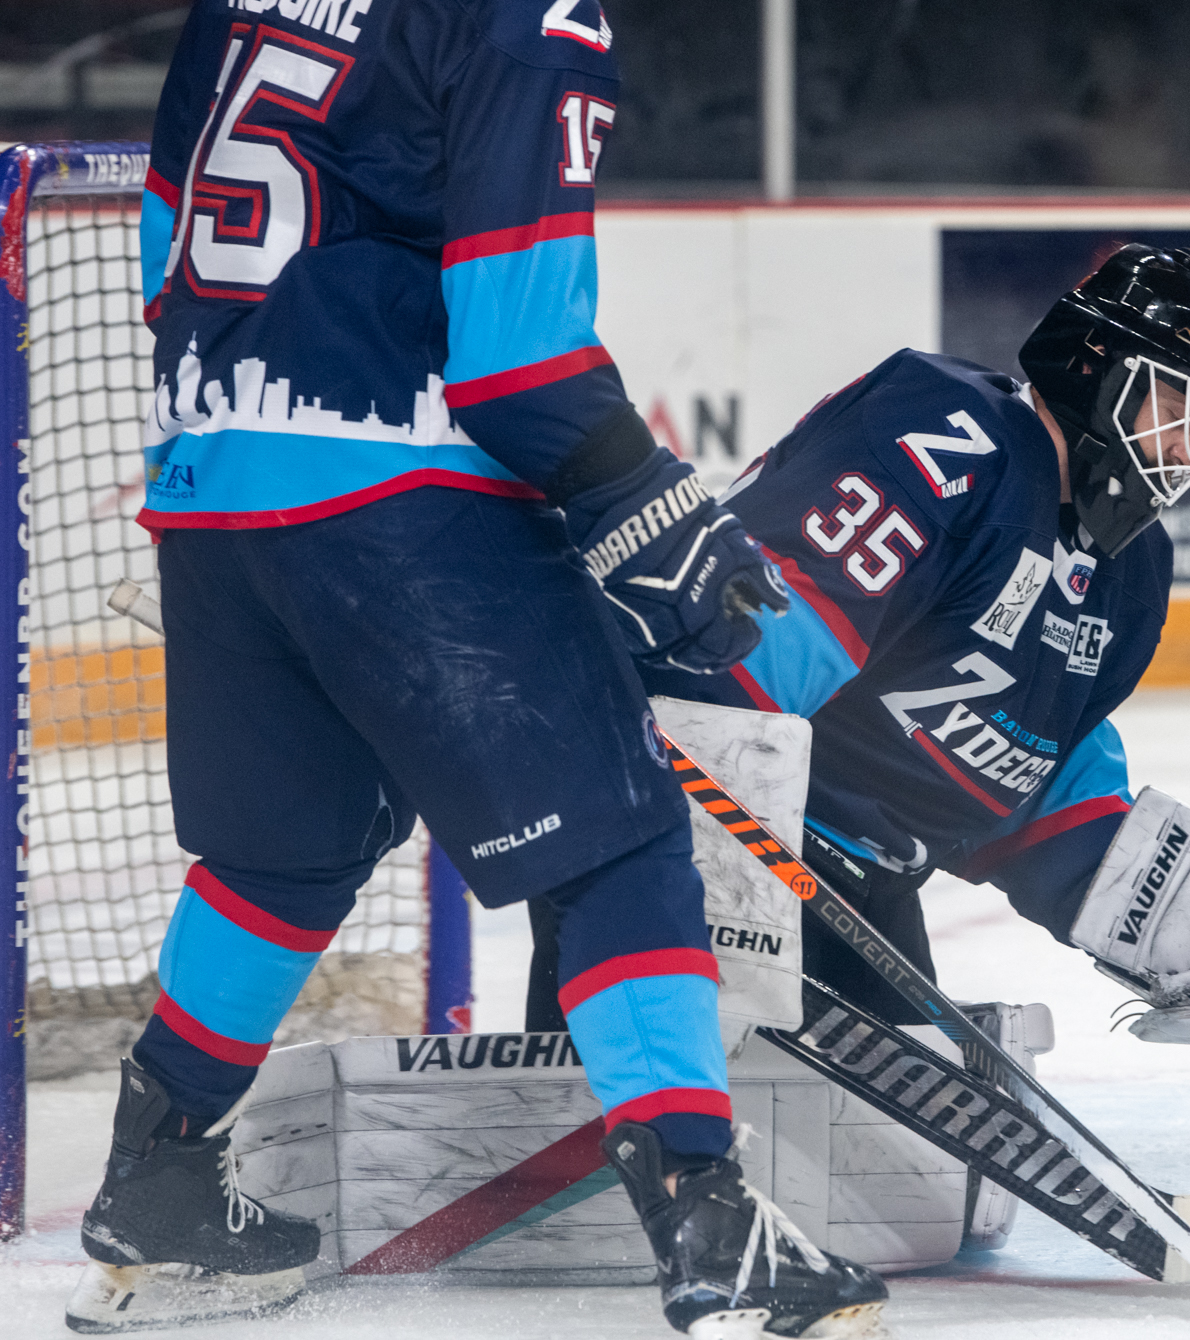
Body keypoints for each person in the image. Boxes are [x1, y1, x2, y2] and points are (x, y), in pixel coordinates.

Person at [70, 2, 885, 1336]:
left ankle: (154, 1176)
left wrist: (230, 459)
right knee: (618, 839)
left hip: (211, 485)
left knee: (284, 857)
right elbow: (519, 362)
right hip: (400, 486)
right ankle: (709, 1222)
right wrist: (652, 503)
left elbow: (168, 240)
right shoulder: (526, 14)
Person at [529, 243, 1190, 1057]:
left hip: (860, 885)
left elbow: (1029, 773)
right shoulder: (950, 432)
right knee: (623, 1130)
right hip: (691, 821)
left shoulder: (1133, 573)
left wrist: (1138, 886)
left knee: (911, 1185)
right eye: (1171, 406)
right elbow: (747, 654)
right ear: (1093, 367)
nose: (1183, 449)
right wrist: (704, 827)